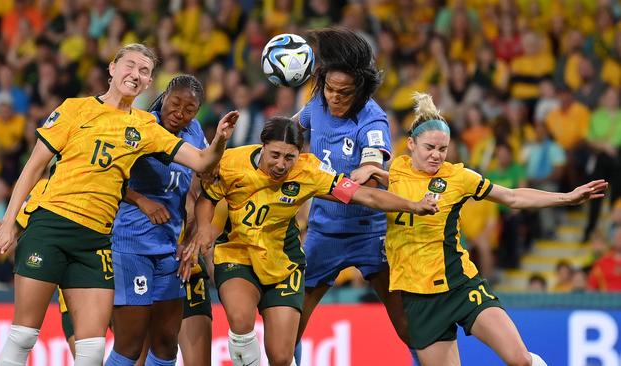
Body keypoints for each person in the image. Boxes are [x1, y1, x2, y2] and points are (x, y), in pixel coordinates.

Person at [0, 43, 239, 365]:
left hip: (97, 241)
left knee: (93, 352)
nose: (136, 74)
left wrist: (222, 138)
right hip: (51, 227)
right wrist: (7, 224)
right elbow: (33, 168)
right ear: (112, 68)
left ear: (148, 84)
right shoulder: (74, 109)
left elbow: (201, 161)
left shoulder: (146, 127)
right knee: (23, 337)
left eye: (144, 71)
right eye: (130, 65)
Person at [179, 117, 439, 366]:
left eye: (289, 157)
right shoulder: (232, 162)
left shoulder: (309, 171)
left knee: (281, 357)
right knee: (240, 320)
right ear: (263, 146)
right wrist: (203, 227)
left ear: (299, 154)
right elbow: (208, 198)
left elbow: (365, 196)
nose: (281, 164)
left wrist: (412, 205)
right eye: (275, 155)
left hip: (283, 263)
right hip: (238, 254)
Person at [382, 92, 606, 366]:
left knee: (520, 360)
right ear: (410, 144)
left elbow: (512, 197)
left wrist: (566, 197)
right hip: (419, 299)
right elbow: (363, 192)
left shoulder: (459, 177)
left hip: (461, 286)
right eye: (429, 147)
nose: (436, 155)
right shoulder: (392, 173)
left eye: (443, 149)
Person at [292, 27, 413, 360]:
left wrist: (367, 168)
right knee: (289, 325)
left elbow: (374, 169)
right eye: (330, 88)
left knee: (407, 326)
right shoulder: (316, 103)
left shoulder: (372, 119)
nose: (334, 97)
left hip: (368, 234)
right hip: (322, 234)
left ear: (359, 89)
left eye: (344, 92)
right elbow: (290, 132)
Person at [106, 74, 213, 366]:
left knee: (166, 344)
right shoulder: (138, 125)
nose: (180, 113)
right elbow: (107, 175)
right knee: (130, 344)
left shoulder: (195, 132)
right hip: (131, 245)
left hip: (169, 249)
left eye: (189, 109)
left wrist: (191, 239)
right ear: (164, 96)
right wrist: (141, 200)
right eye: (175, 103)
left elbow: (205, 186)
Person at [0, 181, 77, 355]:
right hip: (74, 301)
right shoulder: (43, 188)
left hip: (121, 276)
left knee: (131, 354)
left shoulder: (112, 178)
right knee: (92, 358)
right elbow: (6, 234)